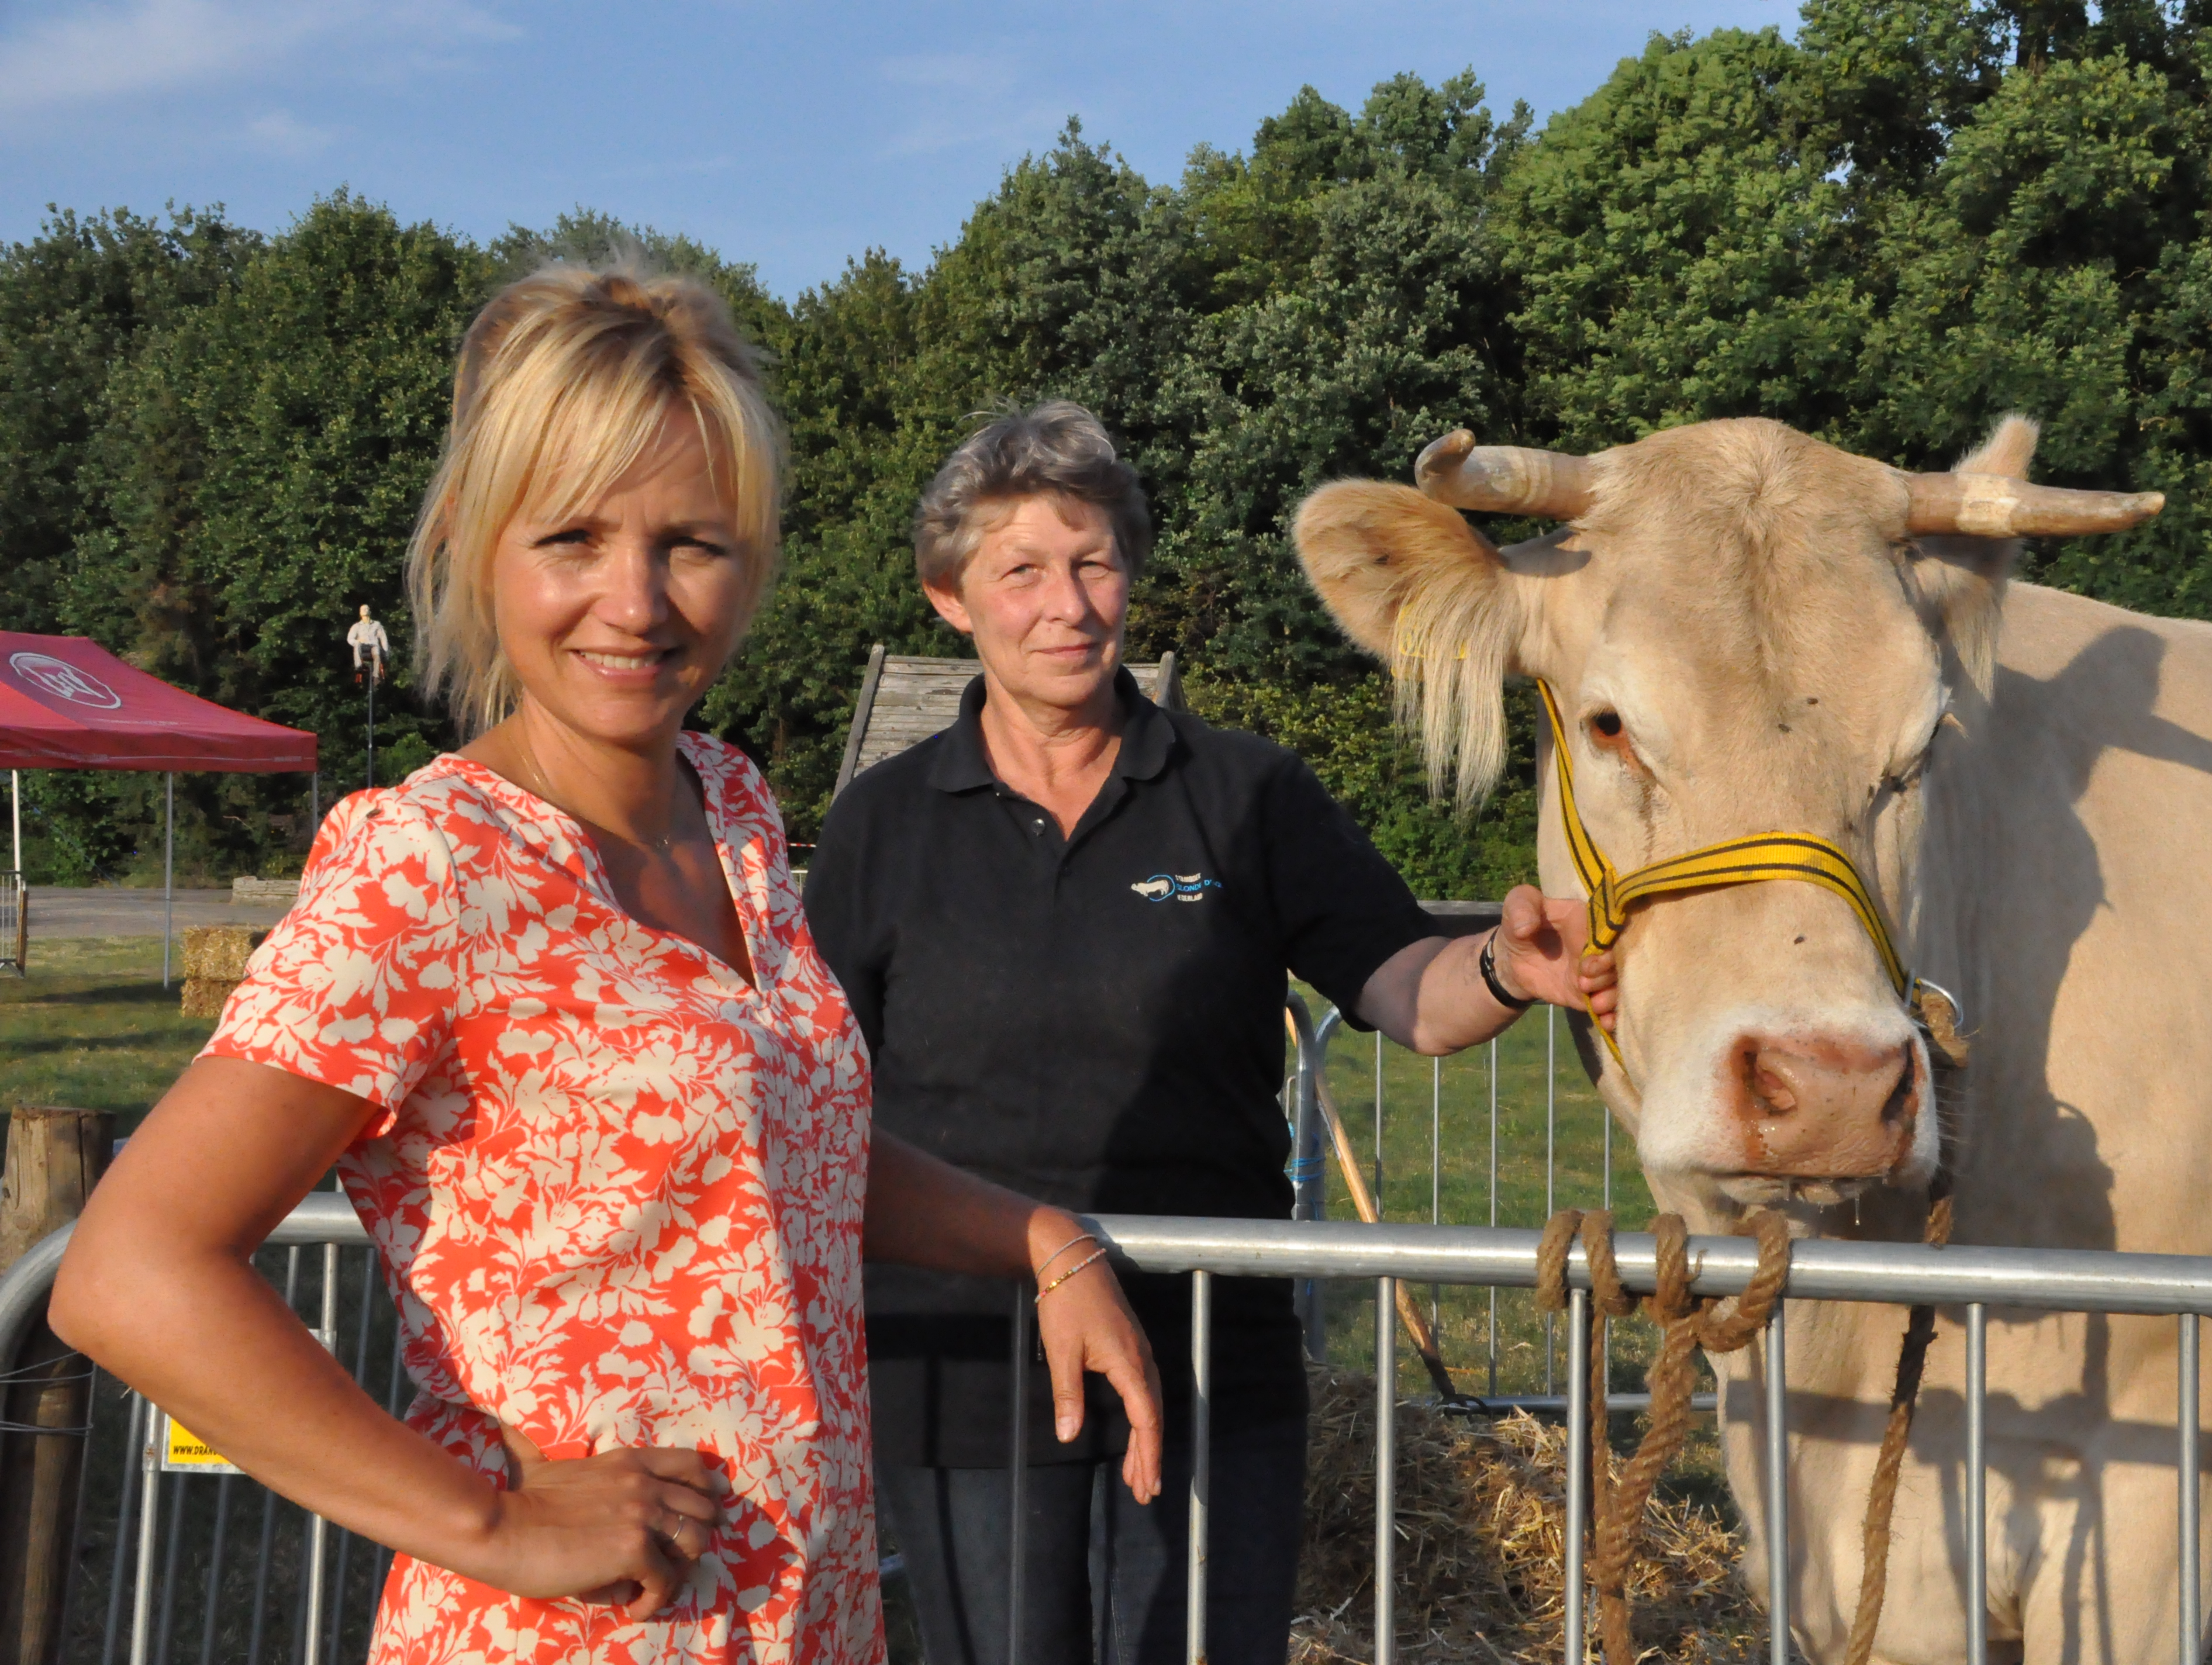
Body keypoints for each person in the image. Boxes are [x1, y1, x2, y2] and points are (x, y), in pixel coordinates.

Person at [51, 271, 1162, 1665]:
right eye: (571, 536)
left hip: (807, 1619)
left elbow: (779, 1152)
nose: (633, 602)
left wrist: (1040, 1238)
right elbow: (127, 1268)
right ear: (476, 544)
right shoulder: (434, 860)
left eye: (691, 542)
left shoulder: (732, 804)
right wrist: (488, 1520)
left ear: (751, 560)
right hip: (577, 1633)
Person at [803, 402, 1618, 1665]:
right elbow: (813, 1101)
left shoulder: (1244, 793)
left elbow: (1405, 987)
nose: (1066, 604)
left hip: (1206, 1363)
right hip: (965, 1368)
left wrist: (1505, 965)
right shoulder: (878, 824)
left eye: (1093, 561)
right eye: (1018, 570)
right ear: (948, 599)